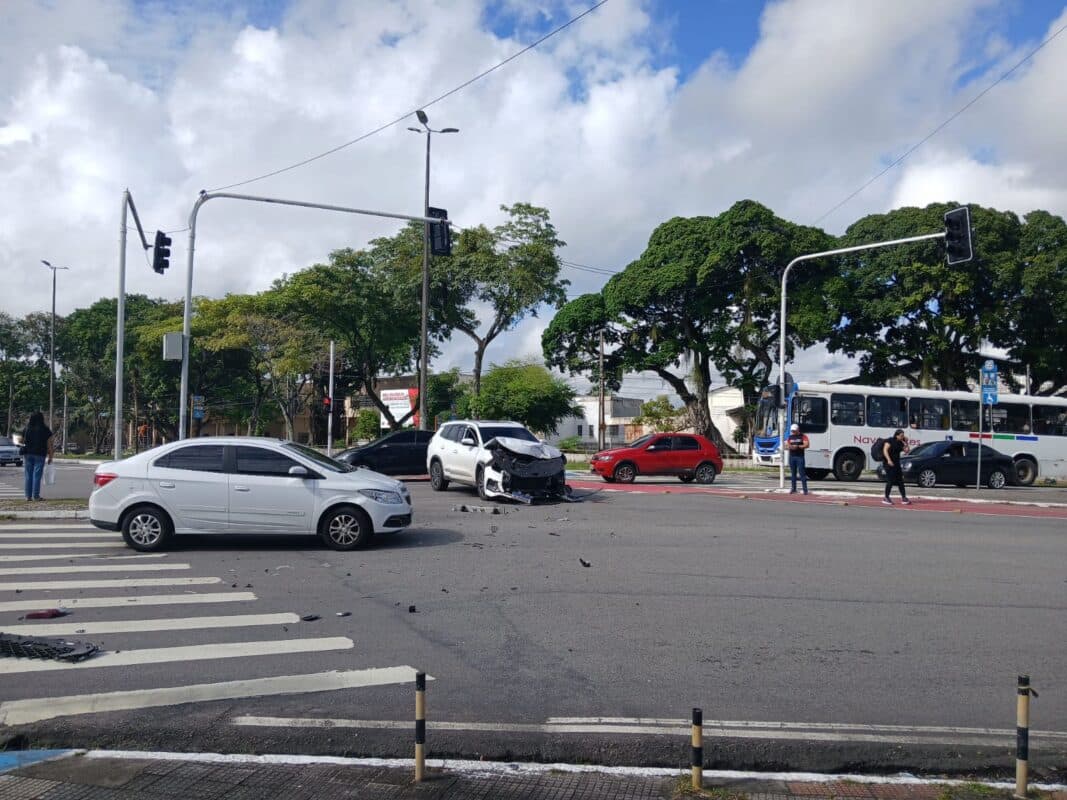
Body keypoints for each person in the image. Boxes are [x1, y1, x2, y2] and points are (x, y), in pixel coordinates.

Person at [21, 411, 54, 502]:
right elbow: (50, 445)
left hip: (28, 454)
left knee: (28, 475)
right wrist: (50, 457)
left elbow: (21, 441)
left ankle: (28, 496)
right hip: (40, 454)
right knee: (37, 476)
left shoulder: (26, 429)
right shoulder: (45, 429)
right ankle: (36, 496)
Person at [881, 429, 910, 506]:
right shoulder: (890, 440)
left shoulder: (900, 443)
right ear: (896, 435)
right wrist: (889, 460)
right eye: (901, 435)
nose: (902, 437)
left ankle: (904, 498)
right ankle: (886, 497)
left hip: (897, 464)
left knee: (900, 481)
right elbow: (885, 450)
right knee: (890, 480)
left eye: (903, 435)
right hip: (888, 464)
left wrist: (906, 442)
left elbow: (907, 451)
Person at [786, 423, 809, 495]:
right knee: (793, 474)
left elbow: (807, 444)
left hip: (800, 457)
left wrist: (798, 446)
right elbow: (787, 445)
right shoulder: (790, 437)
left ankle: (805, 490)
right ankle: (793, 488)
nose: (793, 432)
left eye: (794, 430)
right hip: (792, 456)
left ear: (798, 429)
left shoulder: (803, 436)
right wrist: (790, 447)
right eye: (792, 430)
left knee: (802, 473)